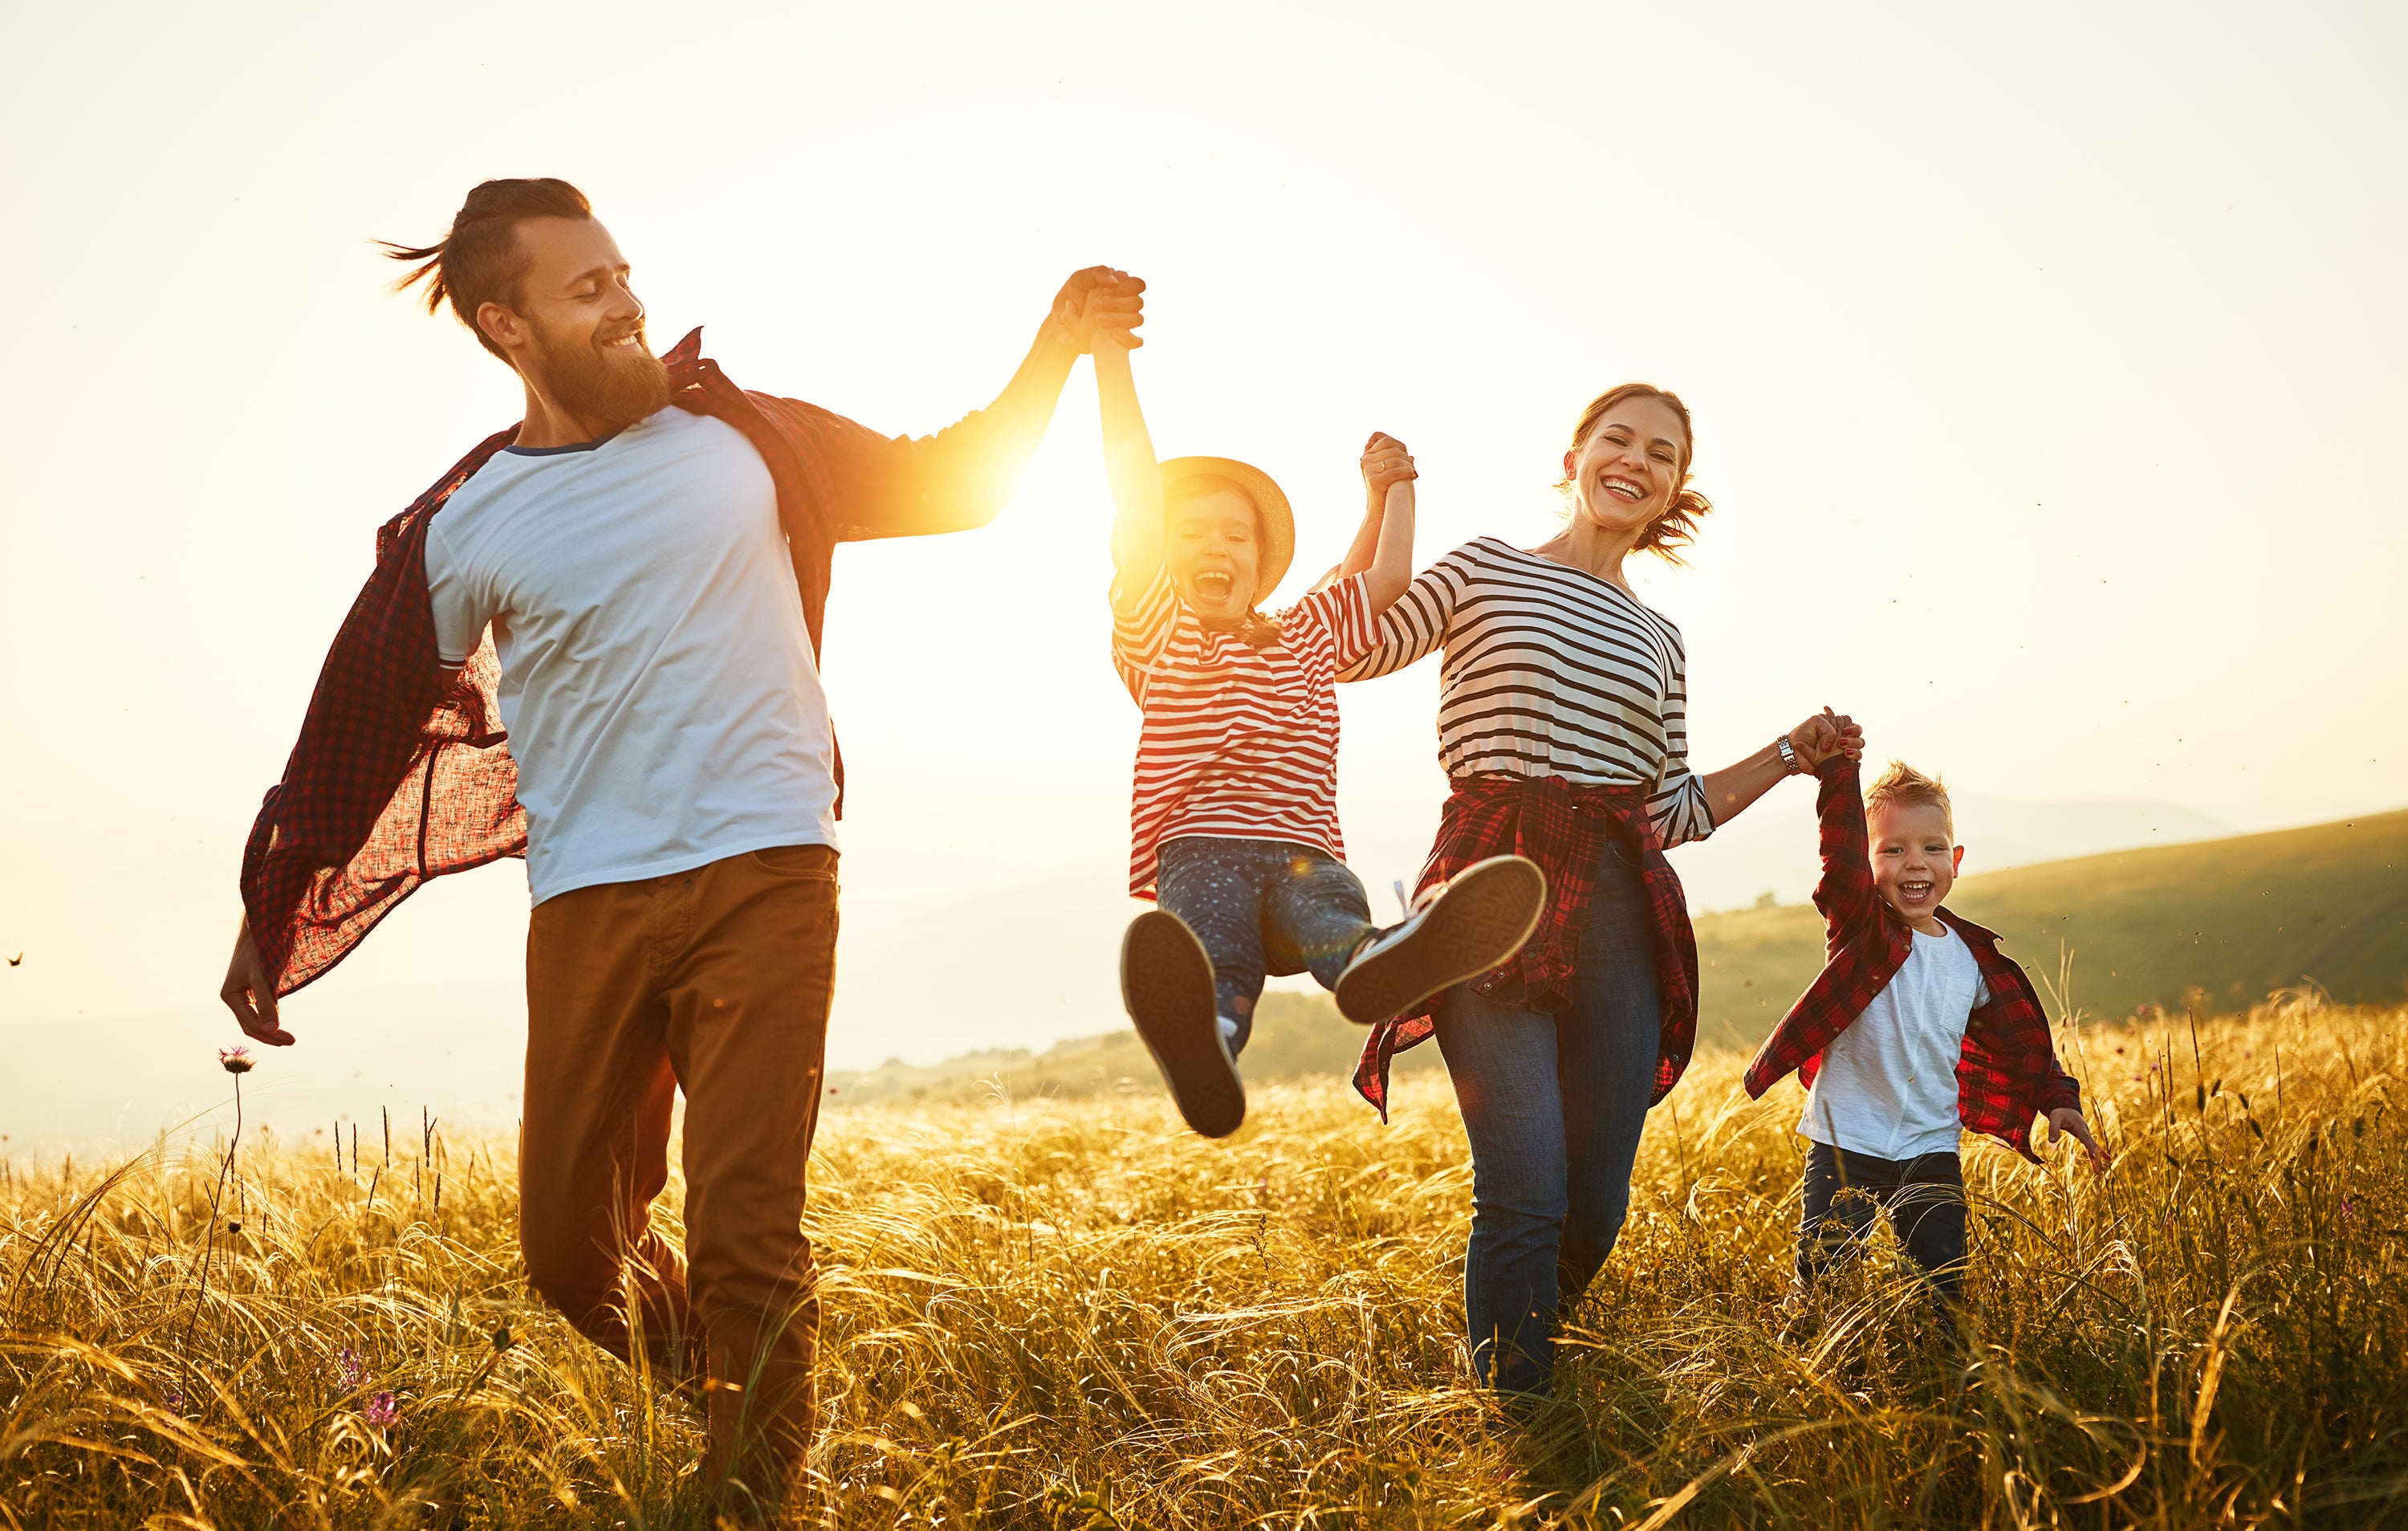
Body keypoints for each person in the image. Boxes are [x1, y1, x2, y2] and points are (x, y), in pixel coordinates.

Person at [213, 176, 1144, 1517]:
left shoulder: (743, 438)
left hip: (767, 868)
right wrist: (273, 907)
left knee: (746, 1228)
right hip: (589, 898)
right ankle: (740, 1387)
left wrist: (1055, 340)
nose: (628, 301)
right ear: (507, 324)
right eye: (586, 288)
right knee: (568, 1253)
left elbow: (957, 482)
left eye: (624, 273)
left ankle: (751, 1483)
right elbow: (364, 726)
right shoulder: (470, 521)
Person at [1340, 383, 1862, 1399]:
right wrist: (1385, 500)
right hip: (1490, 891)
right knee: (1524, 1184)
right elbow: (1360, 644)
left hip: (1621, 905)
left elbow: (1669, 809)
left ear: (1675, 489)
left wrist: (1791, 753)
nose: (1636, 460)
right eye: (1617, 439)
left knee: (1593, 1202)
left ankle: (1532, 1342)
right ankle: (1520, 1423)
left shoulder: (1660, 638)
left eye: (1661, 454)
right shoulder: (1485, 567)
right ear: (1576, 453)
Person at [1092, 322, 1545, 1139]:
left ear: (1261, 561)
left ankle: (1385, 961)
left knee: (1335, 922)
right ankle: (1212, 1049)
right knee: (1216, 959)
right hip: (1201, 849)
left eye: (1235, 535)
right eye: (1191, 534)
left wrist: (1394, 486)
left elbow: (1387, 575)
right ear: (1157, 554)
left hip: (1306, 853)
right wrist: (1110, 360)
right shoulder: (1159, 628)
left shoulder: (1308, 630)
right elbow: (1130, 484)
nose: (1215, 546)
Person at [1745, 756, 2110, 1309]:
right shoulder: (1860, 931)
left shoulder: (1971, 959)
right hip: (1848, 1142)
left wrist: (2057, 1097)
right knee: (1823, 1280)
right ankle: (1795, 1360)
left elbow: (2022, 1043)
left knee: (1944, 1290)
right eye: (1892, 849)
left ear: (1956, 860)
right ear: (1865, 865)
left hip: (1931, 1146)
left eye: (1932, 847)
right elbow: (1838, 852)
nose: (1915, 862)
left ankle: (1943, 1380)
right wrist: (1841, 768)